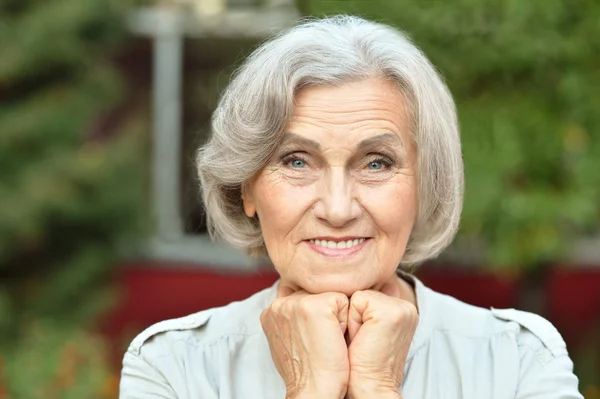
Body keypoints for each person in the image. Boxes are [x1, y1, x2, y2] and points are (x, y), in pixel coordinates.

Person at [119, 15, 583, 399]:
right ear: (248, 189)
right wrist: (311, 389)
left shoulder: (518, 359)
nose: (338, 209)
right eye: (296, 161)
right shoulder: (173, 366)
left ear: (425, 184)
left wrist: (378, 388)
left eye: (376, 163)